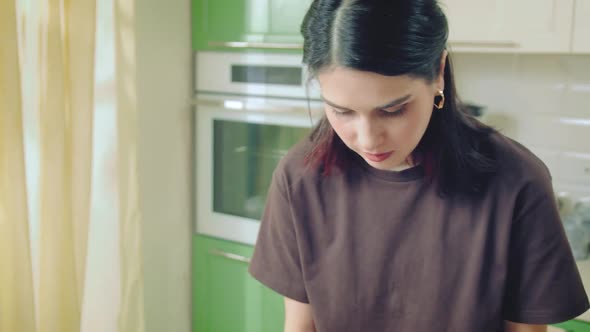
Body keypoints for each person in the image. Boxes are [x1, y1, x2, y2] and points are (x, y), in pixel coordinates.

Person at [248, 0, 590, 331]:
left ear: (438, 71)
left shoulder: (517, 182)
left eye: (393, 110)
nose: (367, 139)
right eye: (342, 111)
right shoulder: (300, 177)